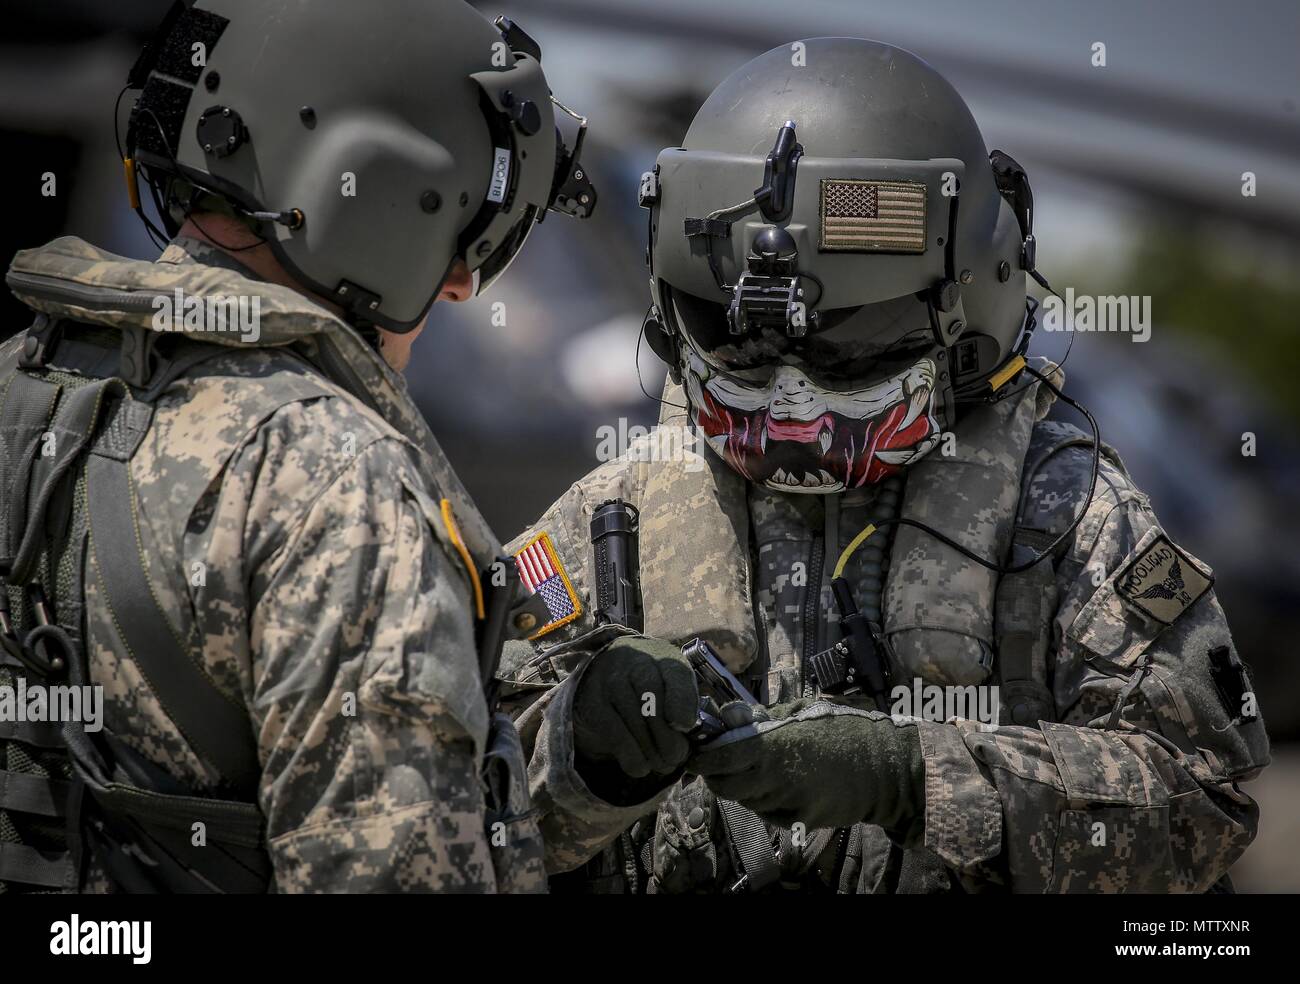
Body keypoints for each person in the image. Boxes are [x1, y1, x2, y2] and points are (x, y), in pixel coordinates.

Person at [500, 37, 1269, 893]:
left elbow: (1200, 808)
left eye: (849, 346)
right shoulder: (613, 519)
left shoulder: (1067, 515)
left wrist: (914, 779)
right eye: (742, 343)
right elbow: (448, 819)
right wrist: (580, 756)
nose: (789, 401)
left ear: (969, 305)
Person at [0, 0, 594, 893]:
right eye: (465, 233)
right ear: (378, 188)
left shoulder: (21, 379)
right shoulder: (337, 484)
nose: (464, 285)